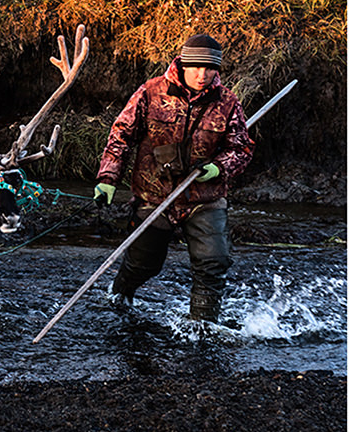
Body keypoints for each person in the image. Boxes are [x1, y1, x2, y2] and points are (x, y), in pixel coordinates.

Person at [92, 34, 253, 322]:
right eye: (196, 67)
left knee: (212, 262)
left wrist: (219, 167)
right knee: (144, 263)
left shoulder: (227, 102)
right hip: (154, 196)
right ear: (183, 63)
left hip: (204, 198)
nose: (202, 75)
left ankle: (202, 327)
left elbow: (241, 148)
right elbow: (121, 136)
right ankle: (118, 297)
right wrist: (107, 178)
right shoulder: (151, 92)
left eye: (209, 69)